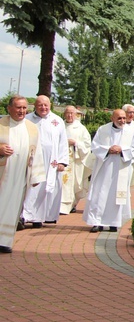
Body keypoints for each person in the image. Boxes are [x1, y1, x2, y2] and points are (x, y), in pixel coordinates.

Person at [82, 109, 134, 233]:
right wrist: (108, 149)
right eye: (119, 118)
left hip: (121, 168)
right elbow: (95, 146)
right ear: (112, 118)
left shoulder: (132, 131)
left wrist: (122, 150)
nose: (122, 121)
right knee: (100, 194)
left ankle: (114, 223)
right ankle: (97, 222)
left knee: (116, 195)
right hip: (104, 168)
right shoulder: (103, 130)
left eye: (124, 118)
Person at [0, 96, 45, 253]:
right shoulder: (1, 124)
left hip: (19, 176)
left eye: (24, 108)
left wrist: (37, 175)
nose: (22, 111)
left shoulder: (31, 128)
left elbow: (37, 152)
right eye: (18, 108)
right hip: (2, 174)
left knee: (13, 207)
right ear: (9, 108)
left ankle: (5, 241)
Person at [22, 95, 68, 228]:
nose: (43, 107)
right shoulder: (27, 120)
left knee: (45, 188)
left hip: (51, 162)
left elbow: (63, 142)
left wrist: (62, 161)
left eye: (45, 105)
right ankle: (25, 216)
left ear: (50, 105)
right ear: (35, 106)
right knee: (31, 188)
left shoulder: (57, 121)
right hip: (31, 160)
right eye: (40, 105)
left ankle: (39, 218)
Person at [60, 106, 91, 214]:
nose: (69, 115)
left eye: (71, 113)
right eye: (67, 113)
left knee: (75, 183)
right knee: (61, 183)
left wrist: (75, 143)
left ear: (75, 115)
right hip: (61, 160)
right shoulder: (60, 125)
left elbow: (87, 145)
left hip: (75, 160)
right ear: (64, 114)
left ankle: (72, 204)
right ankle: (61, 206)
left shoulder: (81, 128)